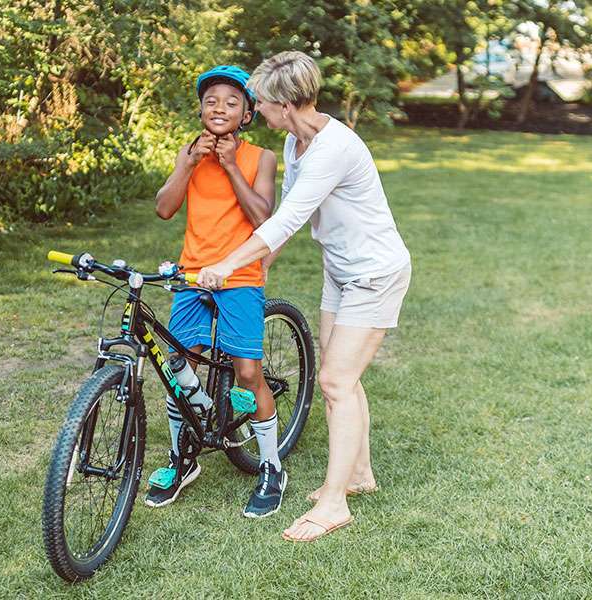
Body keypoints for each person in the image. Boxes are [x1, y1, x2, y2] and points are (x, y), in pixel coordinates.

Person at [196, 51, 412, 541]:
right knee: (344, 381)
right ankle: (358, 475)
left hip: (375, 273)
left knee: (336, 381)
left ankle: (335, 504)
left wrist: (230, 263)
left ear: (288, 104)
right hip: (340, 271)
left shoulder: (333, 148)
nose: (259, 110)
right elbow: (290, 216)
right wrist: (259, 267)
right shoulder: (297, 143)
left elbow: (285, 220)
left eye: (264, 103)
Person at [144, 65, 286, 518]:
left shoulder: (260, 156)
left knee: (247, 373)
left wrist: (228, 166)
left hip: (239, 274)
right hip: (192, 273)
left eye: (231, 101)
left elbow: (264, 216)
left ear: (247, 113)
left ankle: (271, 465)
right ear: (201, 110)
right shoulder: (189, 152)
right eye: (211, 101)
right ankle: (182, 457)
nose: (219, 107)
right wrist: (188, 163)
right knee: (175, 365)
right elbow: (165, 208)